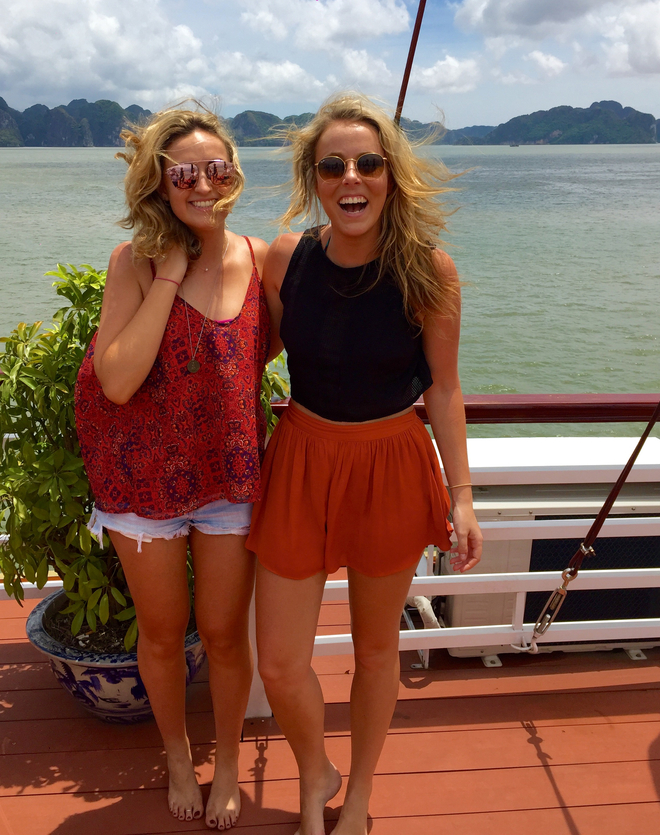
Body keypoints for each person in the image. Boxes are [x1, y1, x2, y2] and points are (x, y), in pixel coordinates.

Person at [246, 93, 482, 835]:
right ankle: (317, 769)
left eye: (368, 163)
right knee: (279, 662)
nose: (351, 178)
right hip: (302, 458)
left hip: (390, 463)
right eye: (333, 166)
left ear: (390, 175)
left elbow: (444, 389)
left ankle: (360, 796)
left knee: (377, 652)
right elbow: (260, 347)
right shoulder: (286, 258)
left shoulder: (429, 270)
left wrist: (463, 495)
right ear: (313, 179)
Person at [74, 106, 269, 829]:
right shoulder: (133, 262)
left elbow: (254, 352)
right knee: (161, 633)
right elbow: (117, 380)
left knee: (224, 633)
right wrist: (171, 274)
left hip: (226, 477)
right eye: (185, 172)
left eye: (217, 169)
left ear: (235, 176)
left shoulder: (262, 259)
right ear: (159, 182)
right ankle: (179, 756)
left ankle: (228, 763)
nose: (203, 184)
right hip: (141, 480)